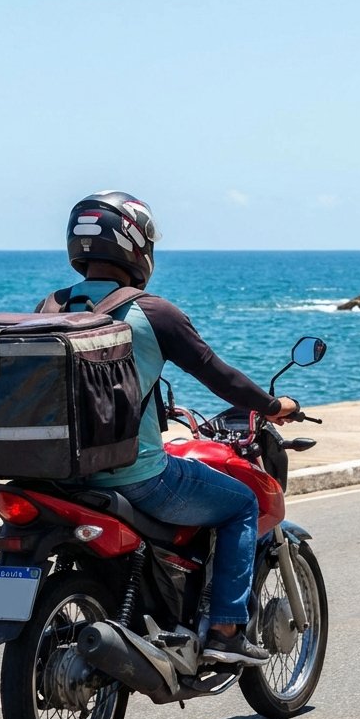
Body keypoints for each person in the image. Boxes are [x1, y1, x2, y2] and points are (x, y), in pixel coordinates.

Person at [61, 190, 299, 665]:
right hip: (134, 477)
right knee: (241, 504)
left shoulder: (50, 308)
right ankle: (226, 631)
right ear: (137, 246)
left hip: (59, 477)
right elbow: (219, 375)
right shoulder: (152, 312)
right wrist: (273, 406)